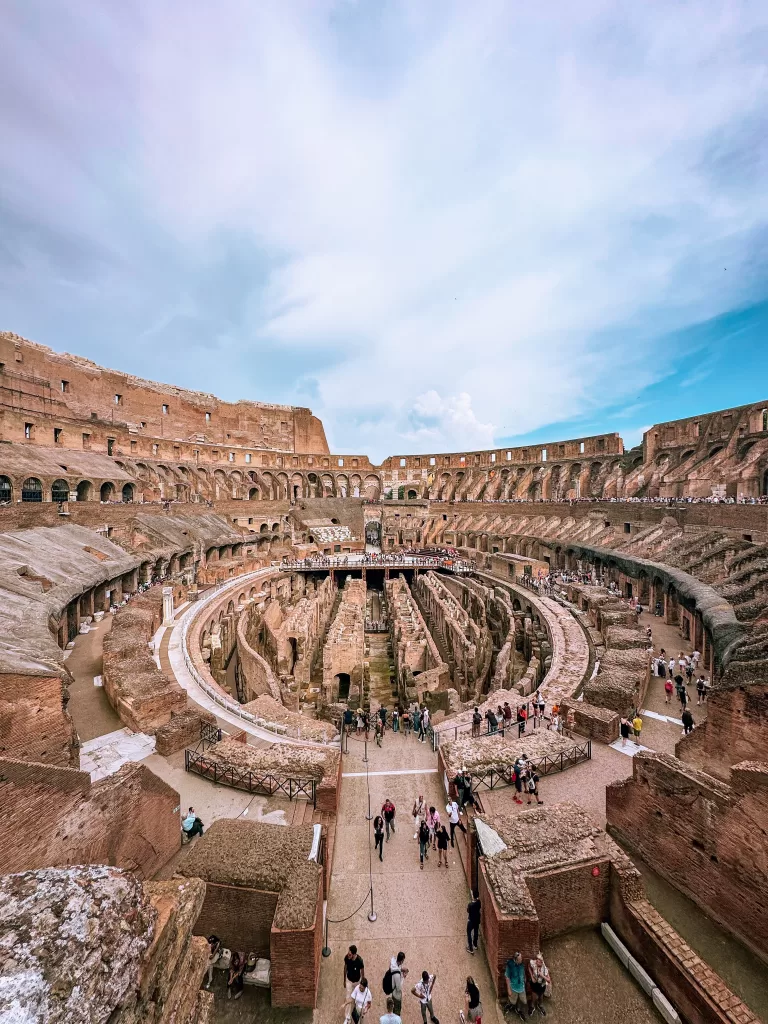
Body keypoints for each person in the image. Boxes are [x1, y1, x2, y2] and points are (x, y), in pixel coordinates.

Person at [504, 953, 528, 1020]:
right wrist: (508, 989)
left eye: (521, 958)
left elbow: (523, 972)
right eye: (520, 959)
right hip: (514, 987)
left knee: (523, 1000)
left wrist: (525, 978)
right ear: (516, 960)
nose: (521, 960)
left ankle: (518, 1009)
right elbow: (507, 977)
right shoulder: (510, 965)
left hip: (521, 987)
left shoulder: (522, 964)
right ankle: (509, 1005)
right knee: (512, 1001)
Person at [388, 952, 408, 1016]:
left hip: (391, 982)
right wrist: (404, 977)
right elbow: (398, 987)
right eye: (403, 960)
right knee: (397, 1004)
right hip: (395, 988)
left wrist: (401, 969)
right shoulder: (397, 974)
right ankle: (396, 1014)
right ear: (402, 960)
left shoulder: (393, 960)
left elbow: (392, 968)